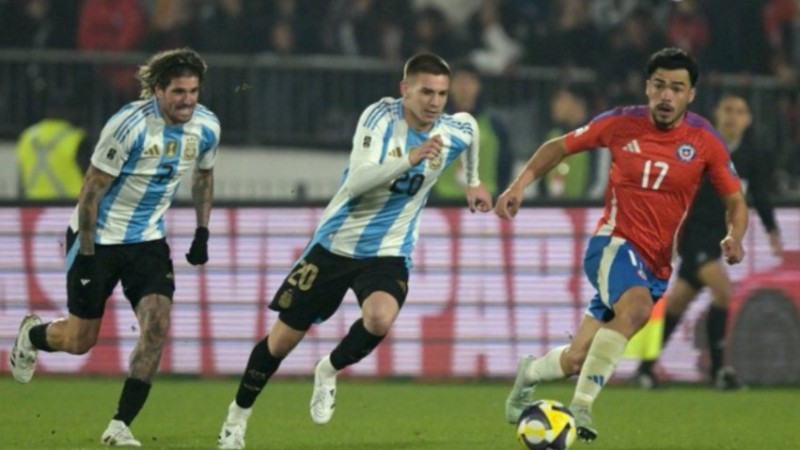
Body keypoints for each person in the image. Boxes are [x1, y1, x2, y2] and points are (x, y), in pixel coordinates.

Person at [216, 52, 493, 450]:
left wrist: (474, 181)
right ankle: (236, 419)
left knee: (379, 319)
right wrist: (409, 158)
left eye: (442, 94)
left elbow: (471, 132)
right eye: (426, 92)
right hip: (335, 246)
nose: (435, 102)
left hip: (388, 251)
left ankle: (327, 370)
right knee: (280, 343)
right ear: (405, 89)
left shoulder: (455, 127)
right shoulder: (379, 119)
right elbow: (359, 182)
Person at [494, 47, 748, 442]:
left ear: (690, 95)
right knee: (637, 309)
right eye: (660, 85)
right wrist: (519, 185)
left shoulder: (705, 140)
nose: (666, 96)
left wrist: (734, 235)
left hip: (656, 264)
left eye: (677, 88)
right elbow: (559, 146)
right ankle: (581, 408)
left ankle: (528, 373)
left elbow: (736, 202)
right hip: (612, 244)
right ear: (647, 87)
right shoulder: (619, 123)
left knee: (577, 357)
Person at [9, 48, 219, 447]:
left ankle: (120, 424)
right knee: (79, 340)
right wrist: (87, 255)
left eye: (193, 91)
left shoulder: (206, 126)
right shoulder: (128, 126)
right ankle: (33, 336)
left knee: (157, 325)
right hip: (99, 241)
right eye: (179, 91)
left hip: (147, 242)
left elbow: (205, 176)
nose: (188, 100)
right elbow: (90, 192)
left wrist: (202, 231)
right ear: (158, 90)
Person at [634, 92, 782, 390]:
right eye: (728, 108)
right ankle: (719, 371)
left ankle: (645, 369)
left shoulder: (751, 156)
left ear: (747, 120)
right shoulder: (699, 148)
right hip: (694, 236)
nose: (732, 116)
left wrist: (772, 229)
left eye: (739, 111)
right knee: (723, 292)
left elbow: (760, 196)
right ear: (717, 112)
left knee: (677, 303)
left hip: (718, 239)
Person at [434, 62, 512, 199]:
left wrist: (499, 193)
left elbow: (505, 162)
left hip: (484, 202)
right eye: (459, 81)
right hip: (443, 203)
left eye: (469, 81)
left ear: (478, 86)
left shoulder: (494, 125)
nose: (464, 87)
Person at [17, 91, 92, 200]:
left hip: (33, 209)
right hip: (68, 209)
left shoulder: (27, 137)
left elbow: (21, 179)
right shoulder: (77, 138)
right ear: (71, 111)